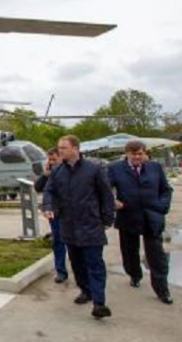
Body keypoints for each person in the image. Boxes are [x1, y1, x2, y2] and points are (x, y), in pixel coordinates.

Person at [43, 135, 116, 319]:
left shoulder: (94, 169)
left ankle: (99, 303)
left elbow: (106, 195)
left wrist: (107, 219)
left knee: (95, 264)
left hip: (90, 224)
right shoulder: (58, 170)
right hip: (68, 225)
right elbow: (49, 191)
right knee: (77, 264)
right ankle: (86, 291)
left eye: (63, 148)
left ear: (75, 148)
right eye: (59, 148)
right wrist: (49, 206)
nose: (60, 151)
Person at [107, 140, 174, 305]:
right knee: (130, 251)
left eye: (140, 153)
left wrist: (161, 207)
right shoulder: (115, 169)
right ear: (127, 154)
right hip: (128, 215)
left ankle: (162, 289)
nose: (138, 157)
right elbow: (105, 188)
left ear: (144, 153)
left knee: (156, 255)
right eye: (134, 154)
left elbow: (166, 189)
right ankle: (134, 274)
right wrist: (112, 201)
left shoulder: (154, 167)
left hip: (152, 217)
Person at [34, 147, 68, 283]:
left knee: (74, 243)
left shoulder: (69, 171)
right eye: (50, 159)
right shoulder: (50, 174)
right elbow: (38, 188)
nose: (52, 162)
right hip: (55, 213)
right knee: (58, 241)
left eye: (54, 159)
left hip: (71, 212)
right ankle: (61, 271)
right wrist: (45, 174)